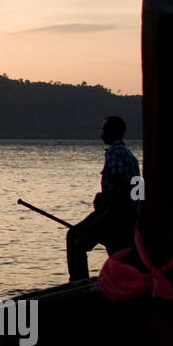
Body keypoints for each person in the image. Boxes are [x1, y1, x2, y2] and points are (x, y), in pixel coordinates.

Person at [66, 115, 138, 280]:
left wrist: (104, 200)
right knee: (117, 250)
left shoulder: (114, 152)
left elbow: (118, 183)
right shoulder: (131, 156)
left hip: (114, 212)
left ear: (113, 132)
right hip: (128, 215)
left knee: (74, 237)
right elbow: (137, 186)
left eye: (104, 130)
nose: (102, 134)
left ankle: (78, 281)